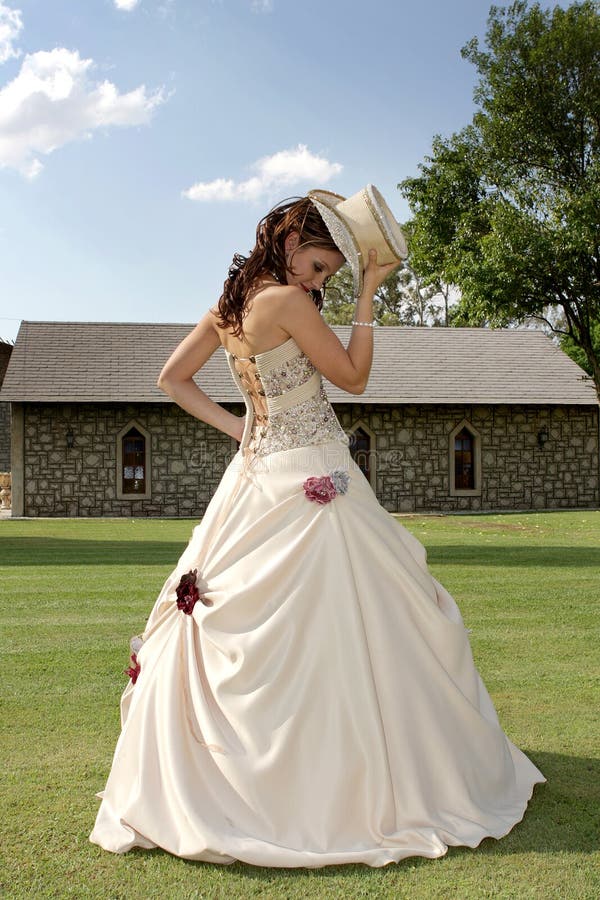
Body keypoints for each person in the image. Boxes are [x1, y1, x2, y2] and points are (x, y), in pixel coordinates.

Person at [89, 184, 546, 868]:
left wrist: (240, 430)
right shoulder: (285, 302)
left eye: (331, 273)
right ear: (290, 242)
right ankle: (337, 783)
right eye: (320, 266)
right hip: (313, 475)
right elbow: (354, 379)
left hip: (256, 478)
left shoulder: (230, 308)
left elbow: (172, 380)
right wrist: (368, 296)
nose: (321, 280)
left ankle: (262, 776)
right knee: (356, 622)